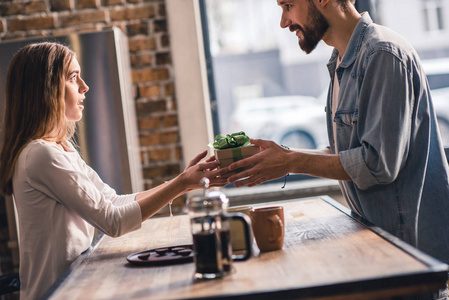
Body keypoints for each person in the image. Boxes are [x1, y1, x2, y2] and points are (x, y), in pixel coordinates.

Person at [226, 1, 449, 297]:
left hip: (410, 264)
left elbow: (376, 164)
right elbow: (344, 151)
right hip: (381, 255)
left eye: (288, 5)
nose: (283, 22)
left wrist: (290, 162)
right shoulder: (342, 61)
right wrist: (278, 156)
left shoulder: (383, 54)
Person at [0, 42, 228, 300]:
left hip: (72, 287)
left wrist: (184, 183)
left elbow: (113, 202)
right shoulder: (41, 155)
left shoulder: (60, 149)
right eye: (74, 78)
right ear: (46, 89)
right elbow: (113, 221)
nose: (85, 87)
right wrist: (181, 184)